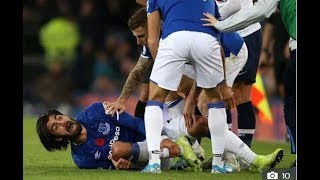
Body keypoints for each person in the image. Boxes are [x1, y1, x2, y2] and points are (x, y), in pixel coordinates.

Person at [201, 0, 296, 168]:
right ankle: (228, 154)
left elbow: (248, 7)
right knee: (224, 94)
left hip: (245, 34)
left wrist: (219, 22)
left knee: (241, 95)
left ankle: (239, 157)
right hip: (231, 35)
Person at [144, 0, 233, 174]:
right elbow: (218, 41)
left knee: (155, 98)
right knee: (215, 100)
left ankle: (154, 161)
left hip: (174, 38)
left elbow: (153, 41)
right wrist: (222, 84)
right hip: (207, 41)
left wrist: (164, 73)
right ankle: (218, 164)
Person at [36, 101, 202, 170]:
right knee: (117, 149)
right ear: (57, 138)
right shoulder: (82, 160)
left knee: (202, 123)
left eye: (59, 118)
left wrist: (161, 138)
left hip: (157, 134)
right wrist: (120, 165)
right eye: (55, 127)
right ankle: (182, 151)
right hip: (151, 160)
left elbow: (136, 123)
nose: (62, 122)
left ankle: (220, 158)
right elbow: (118, 166)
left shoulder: (96, 110)